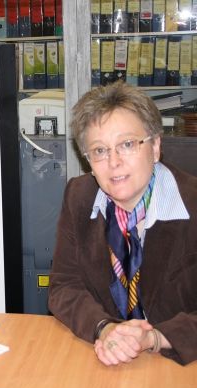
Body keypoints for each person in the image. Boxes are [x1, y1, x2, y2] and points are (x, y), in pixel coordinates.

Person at [48, 80, 197, 366]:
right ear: (88, 161)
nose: (113, 162)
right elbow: (64, 287)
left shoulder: (192, 203)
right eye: (100, 151)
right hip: (106, 360)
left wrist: (155, 338)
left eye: (127, 144)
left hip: (178, 367)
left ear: (154, 147)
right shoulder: (79, 197)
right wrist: (105, 328)